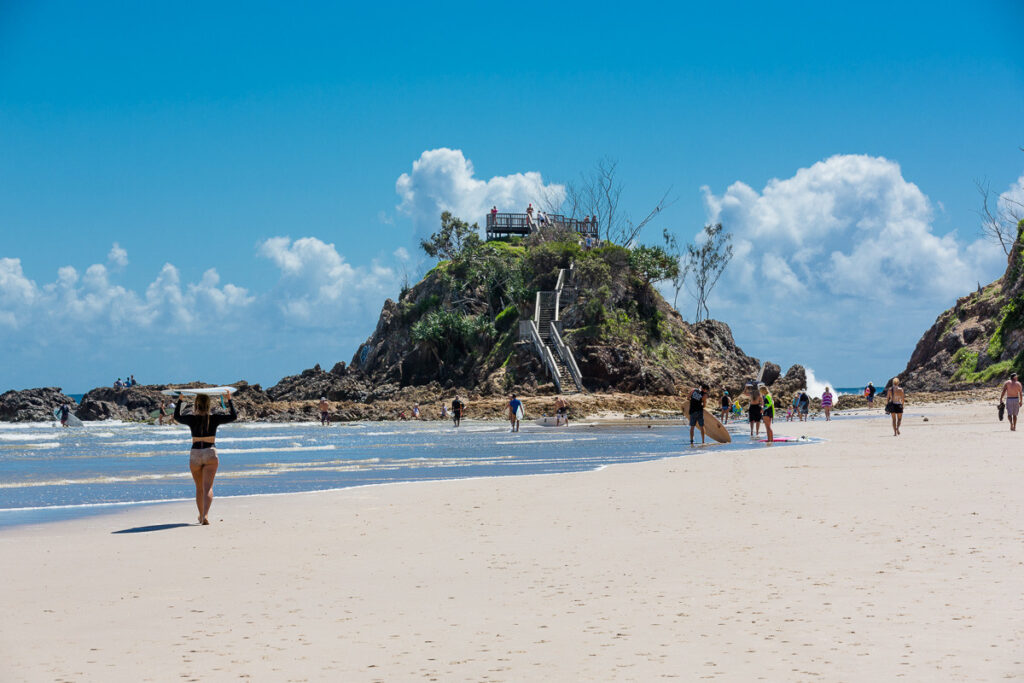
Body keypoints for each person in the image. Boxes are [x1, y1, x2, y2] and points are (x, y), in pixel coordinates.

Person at [174, 391, 237, 525]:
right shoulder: (214, 418)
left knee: (199, 488)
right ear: (208, 405)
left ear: (196, 404)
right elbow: (233, 416)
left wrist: (180, 400)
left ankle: (201, 515)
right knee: (208, 487)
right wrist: (229, 400)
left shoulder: (191, 418)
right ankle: (205, 516)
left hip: (196, 453)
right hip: (210, 452)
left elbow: (176, 417)